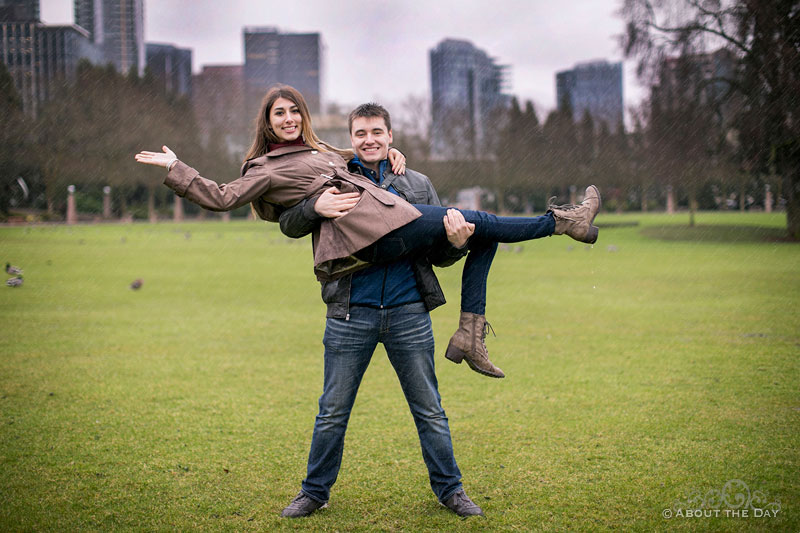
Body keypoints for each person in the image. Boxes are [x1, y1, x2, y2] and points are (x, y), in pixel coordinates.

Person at [134, 84, 601, 379]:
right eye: (279, 114)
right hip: (373, 233)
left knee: (481, 233)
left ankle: (469, 334)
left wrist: (394, 157)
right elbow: (221, 196)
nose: (289, 119)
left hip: (389, 216)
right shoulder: (265, 168)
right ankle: (563, 222)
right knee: (482, 221)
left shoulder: (324, 152)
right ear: (268, 123)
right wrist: (176, 167)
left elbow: (359, 155)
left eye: (294, 111)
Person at [276, 102, 483, 518]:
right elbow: (289, 223)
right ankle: (314, 492)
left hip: (409, 313)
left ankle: (451, 490)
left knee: (429, 409)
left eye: (377, 133)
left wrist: (457, 245)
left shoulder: (418, 184)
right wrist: (314, 207)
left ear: (390, 137)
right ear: (351, 139)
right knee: (333, 411)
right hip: (350, 314)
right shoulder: (333, 178)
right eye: (360, 134)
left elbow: (438, 255)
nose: (369, 140)